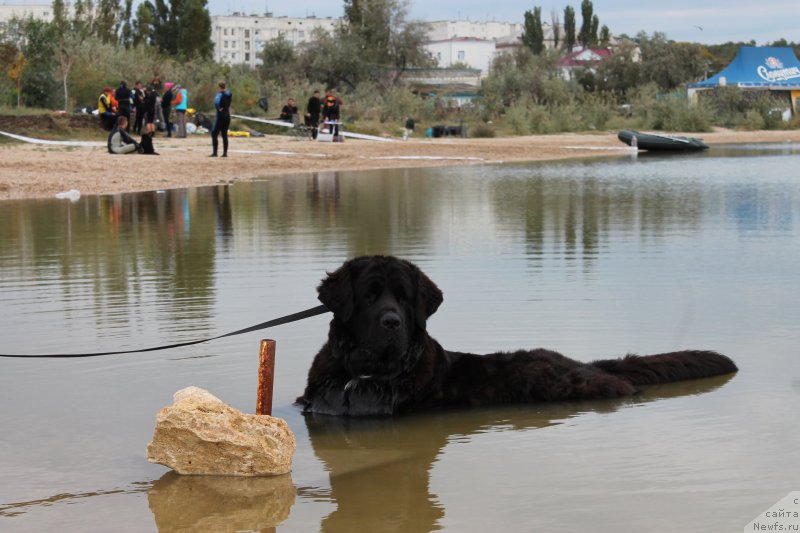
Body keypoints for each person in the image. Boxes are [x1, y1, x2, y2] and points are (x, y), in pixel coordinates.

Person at [210, 82, 232, 158]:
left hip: (220, 116)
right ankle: (225, 153)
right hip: (227, 115)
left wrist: (219, 108)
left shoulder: (219, 94)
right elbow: (228, 104)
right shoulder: (229, 94)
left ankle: (215, 153)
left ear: (219, 87)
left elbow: (216, 103)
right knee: (224, 135)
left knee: (214, 134)